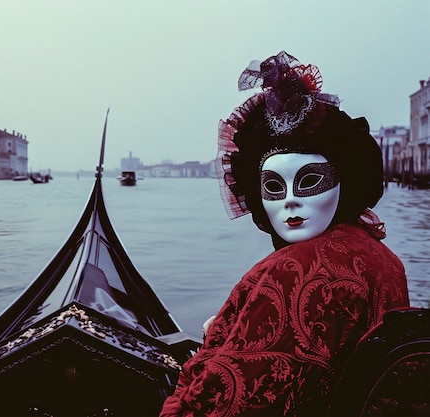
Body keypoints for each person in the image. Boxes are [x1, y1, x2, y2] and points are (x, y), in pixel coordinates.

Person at [160, 51, 410, 416]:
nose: (290, 202)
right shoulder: (380, 256)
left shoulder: (291, 273)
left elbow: (231, 399)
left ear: (345, 181)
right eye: (274, 187)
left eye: (309, 182)